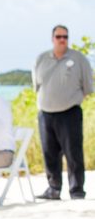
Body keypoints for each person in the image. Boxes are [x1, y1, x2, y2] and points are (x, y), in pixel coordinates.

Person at [33, 25, 93, 200]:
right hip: (45, 114)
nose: (62, 40)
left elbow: (88, 87)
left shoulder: (79, 59)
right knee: (49, 153)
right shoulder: (41, 59)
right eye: (59, 36)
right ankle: (53, 188)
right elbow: (36, 85)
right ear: (53, 38)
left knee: (73, 153)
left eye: (65, 37)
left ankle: (77, 190)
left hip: (70, 113)